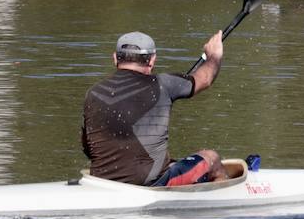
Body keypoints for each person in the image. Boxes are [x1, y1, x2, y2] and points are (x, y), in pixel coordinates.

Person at [81, 30, 230, 186]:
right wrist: (214, 56)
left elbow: (87, 147)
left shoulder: (93, 93)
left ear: (115, 58)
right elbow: (204, 79)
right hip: (151, 184)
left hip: (101, 183)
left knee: (167, 162)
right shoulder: (164, 84)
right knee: (211, 158)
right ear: (152, 61)